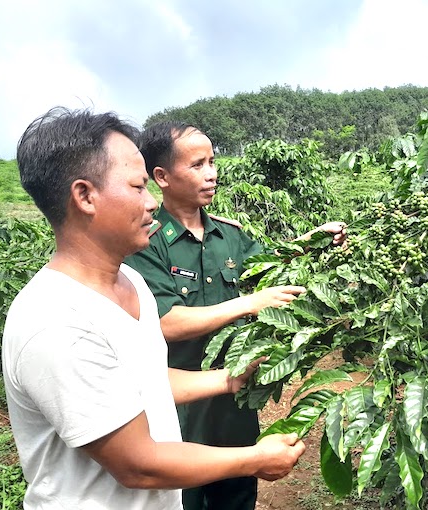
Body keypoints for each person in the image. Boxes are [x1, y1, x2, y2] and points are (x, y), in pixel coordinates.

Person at [2, 108, 306, 510]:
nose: (150, 204)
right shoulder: (56, 323)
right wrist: (254, 459)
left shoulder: (133, 284)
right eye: (137, 187)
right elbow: (138, 465)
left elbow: (142, 379)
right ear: (85, 196)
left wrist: (230, 380)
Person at [125, 121, 346, 510]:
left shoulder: (230, 236)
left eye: (212, 162)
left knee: (237, 495)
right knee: (183, 499)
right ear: (162, 177)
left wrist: (317, 238)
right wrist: (248, 303)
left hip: (235, 402)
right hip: (178, 407)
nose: (211, 174)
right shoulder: (147, 242)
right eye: (197, 165)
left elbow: (268, 261)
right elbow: (165, 323)